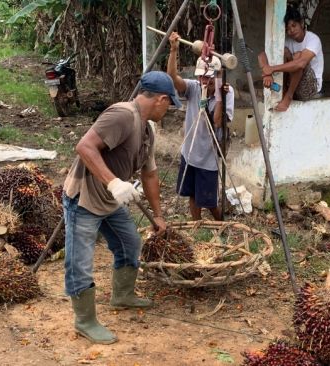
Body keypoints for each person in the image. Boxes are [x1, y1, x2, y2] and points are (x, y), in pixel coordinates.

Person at [61, 71, 179, 344]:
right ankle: (85, 321)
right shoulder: (122, 115)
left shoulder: (147, 129)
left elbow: (150, 174)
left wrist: (158, 215)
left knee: (129, 243)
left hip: (110, 201)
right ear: (161, 99)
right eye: (170, 104)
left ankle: (122, 295)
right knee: (79, 260)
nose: (169, 109)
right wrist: (114, 182)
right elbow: (85, 146)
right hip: (85, 199)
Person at [167, 31, 234, 221]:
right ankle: (196, 226)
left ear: (217, 77)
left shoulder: (226, 93)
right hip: (190, 152)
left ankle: (220, 225)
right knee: (192, 194)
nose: (204, 82)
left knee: (209, 200)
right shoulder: (194, 88)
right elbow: (173, 79)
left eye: (209, 79)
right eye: (202, 78)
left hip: (208, 156)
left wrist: (220, 94)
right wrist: (173, 51)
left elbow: (218, 122)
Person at [257, 4, 324, 112]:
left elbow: (301, 63)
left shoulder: (313, 39)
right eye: (288, 29)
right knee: (283, 52)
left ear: (301, 23)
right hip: (293, 85)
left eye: (294, 25)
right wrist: (267, 72)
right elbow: (262, 55)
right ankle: (283, 92)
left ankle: (288, 97)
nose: (291, 31)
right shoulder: (287, 41)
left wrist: (272, 68)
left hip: (311, 89)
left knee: (298, 57)